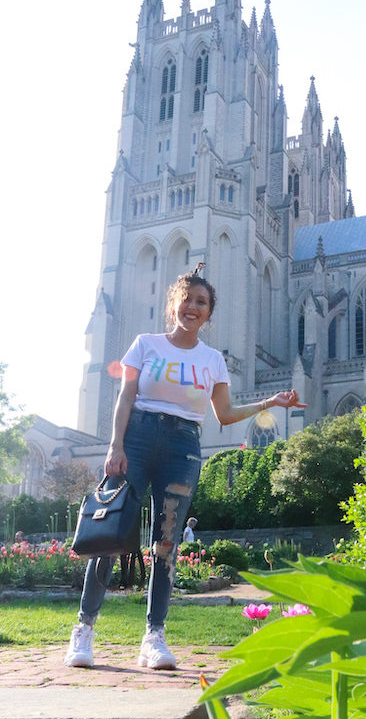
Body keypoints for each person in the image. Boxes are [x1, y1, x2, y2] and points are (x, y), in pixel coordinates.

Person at [64, 265, 304, 670]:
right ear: (173, 303)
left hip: (183, 445)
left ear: (209, 313)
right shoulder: (146, 344)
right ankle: (83, 631)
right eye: (187, 299)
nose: (192, 307)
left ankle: (153, 637)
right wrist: (115, 445)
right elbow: (125, 398)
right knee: (108, 533)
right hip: (137, 438)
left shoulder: (213, 360)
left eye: (201, 302)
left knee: (167, 543)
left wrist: (269, 403)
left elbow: (224, 414)